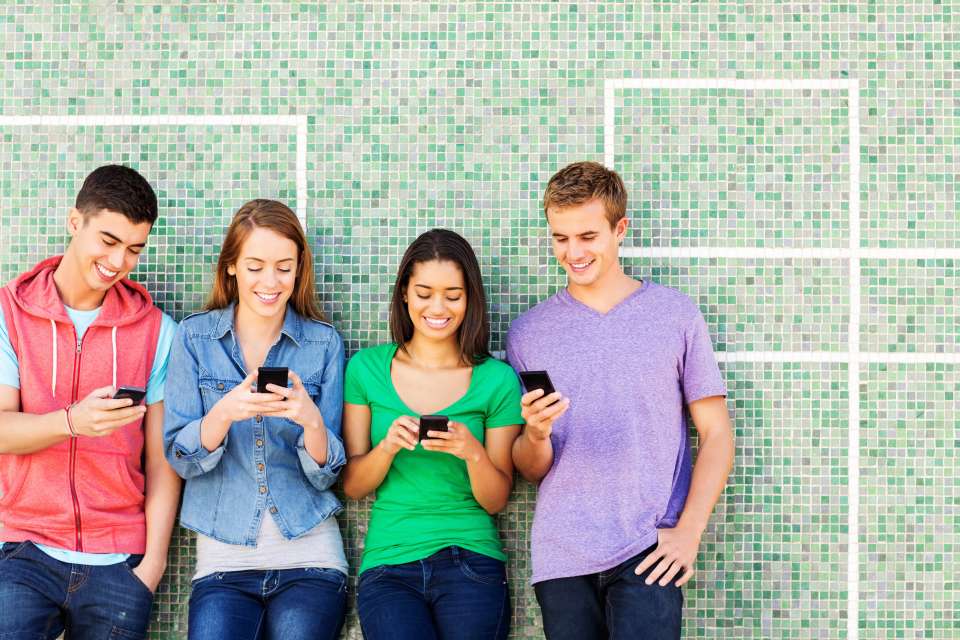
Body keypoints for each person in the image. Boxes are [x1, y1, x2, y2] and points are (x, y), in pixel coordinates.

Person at [507, 161, 735, 640]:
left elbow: (716, 433)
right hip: (562, 553)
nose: (573, 252)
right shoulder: (529, 332)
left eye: (587, 236)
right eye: (560, 238)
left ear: (620, 229)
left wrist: (690, 531)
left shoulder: (674, 314)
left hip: (648, 548)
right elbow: (530, 468)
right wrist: (536, 432)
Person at [0, 165, 181, 639]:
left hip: (119, 562)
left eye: (134, 249)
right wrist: (72, 422)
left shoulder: (157, 332)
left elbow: (163, 460)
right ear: (74, 222)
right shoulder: (9, 314)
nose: (119, 260)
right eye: (108, 240)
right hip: (21, 551)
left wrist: (152, 565)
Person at [163, 199, 348, 640]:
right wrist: (225, 412)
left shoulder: (323, 344)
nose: (271, 281)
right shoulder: (194, 337)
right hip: (223, 564)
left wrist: (312, 423)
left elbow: (329, 475)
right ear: (231, 266)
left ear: (299, 270)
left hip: (311, 558)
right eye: (255, 266)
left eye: (285, 267)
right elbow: (180, 458)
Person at [342, 228, 522, 640]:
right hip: (389, 564)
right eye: (424, 293)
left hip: (471, 560)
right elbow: (352, 485)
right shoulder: (365, 370)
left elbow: (496, 500)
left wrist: (472, 453)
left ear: (470, 298)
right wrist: (386, 448)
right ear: (404, 293)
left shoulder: (497, 380)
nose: (437, 307)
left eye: (453, 295)